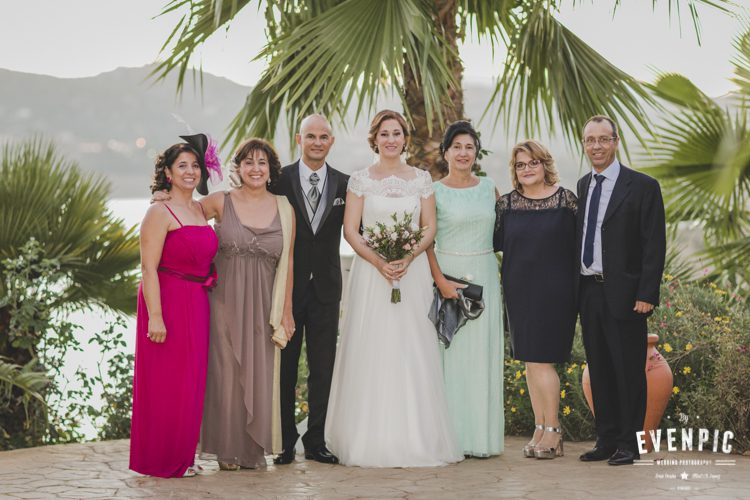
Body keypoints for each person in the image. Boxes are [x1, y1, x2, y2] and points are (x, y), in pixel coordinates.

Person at [325, 110, 463, 467]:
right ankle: (367, 437)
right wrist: (379, 261)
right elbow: (351, 230)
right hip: (372, 276)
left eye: (396, 133)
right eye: (384, 133)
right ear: (375, 139)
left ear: (405, 138)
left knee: (412, 347)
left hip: (412, 275)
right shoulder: (360, 180)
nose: (390, 139)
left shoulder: (421, 179)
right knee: (372, 347)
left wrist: (408, 256)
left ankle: (416, 437)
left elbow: (429, 227)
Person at [196, 138, 296, 470]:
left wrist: (286, 311)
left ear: (271, 170)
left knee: (259, 373)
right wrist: (163, 196)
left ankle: (252, 451)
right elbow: (183, 216)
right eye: (249, 162)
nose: (255, 169)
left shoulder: (285, 208)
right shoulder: (220, 202)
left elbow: (288, 262)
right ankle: (227, 450)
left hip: (265, 305)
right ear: (238, 168)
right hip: (223, 303)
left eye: (262, 163)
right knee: (226, 373)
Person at [576, 115, 666, 466]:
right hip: (589, 291)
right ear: (585, 145)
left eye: (603, 139)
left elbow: (653, 244)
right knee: (600, 369)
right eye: (590, 140)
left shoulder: (642, 186)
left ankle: (630, 443)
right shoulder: (583, 185)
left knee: (628, 371)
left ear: (615, 141)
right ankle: (606, 439)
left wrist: (647, 293)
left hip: (627, 296)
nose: (596, 146)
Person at [130, 136, 218, 478]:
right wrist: (155, 316)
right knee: (166, 382)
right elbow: (148, 268)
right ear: (168, 172)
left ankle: (184, 455)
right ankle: (160, 459)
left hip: (198, 302)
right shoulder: (158, 212)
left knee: (190, 382)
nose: (190, 171)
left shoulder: (201, 209)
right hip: (166, 302)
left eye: (195, 165)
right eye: (182, 165)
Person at [271, 115, 349, 465]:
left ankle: (316, 440)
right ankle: (285, 441)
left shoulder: (345, 184)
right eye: (311, 136)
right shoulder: (278, 180)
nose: (317, 142)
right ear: (298, 139)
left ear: (331, 141)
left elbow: (362, 226)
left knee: (323, 368)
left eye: (324, 136)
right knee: (285, 368)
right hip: (287, 289)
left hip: (327, 290)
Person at [493, 140, 578, 460]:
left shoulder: (566, 201)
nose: (527, 169)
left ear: (545, 165)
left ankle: (554, 431)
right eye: (520, 165)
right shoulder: (506, 205)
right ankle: (540, 428)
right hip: (518, 291)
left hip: (555, 292)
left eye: (533, 163)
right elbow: (495, 243)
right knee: (530, 362)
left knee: (543, 361)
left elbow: (581, 246)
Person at [426, 120, 504, 458]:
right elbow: (426, 243)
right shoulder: (434, 191)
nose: (462, 153)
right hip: (448, 279)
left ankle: (481, 439)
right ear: (445, 152)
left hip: (485, 275)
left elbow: (508, 232)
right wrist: (441, 281)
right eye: (456, 147)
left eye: (469, 147)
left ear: (476, 153)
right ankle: (451, 439)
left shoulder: (489, 188)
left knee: (482, 356)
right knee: (451, 356)